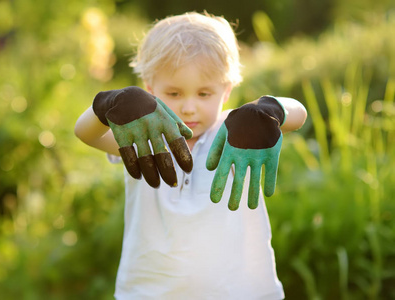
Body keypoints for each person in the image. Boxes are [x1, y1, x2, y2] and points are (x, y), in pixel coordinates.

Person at [75, 11, 307, 299]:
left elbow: (298, 114)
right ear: (150, 90)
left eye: (204, 94)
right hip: (149, 292)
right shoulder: (144, 141)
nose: (188, 107)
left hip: (240, 292)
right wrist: (109, 105)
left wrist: (271, 110)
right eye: (173, 93)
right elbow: (86, 133)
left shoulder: (238, 133)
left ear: (226, 91)